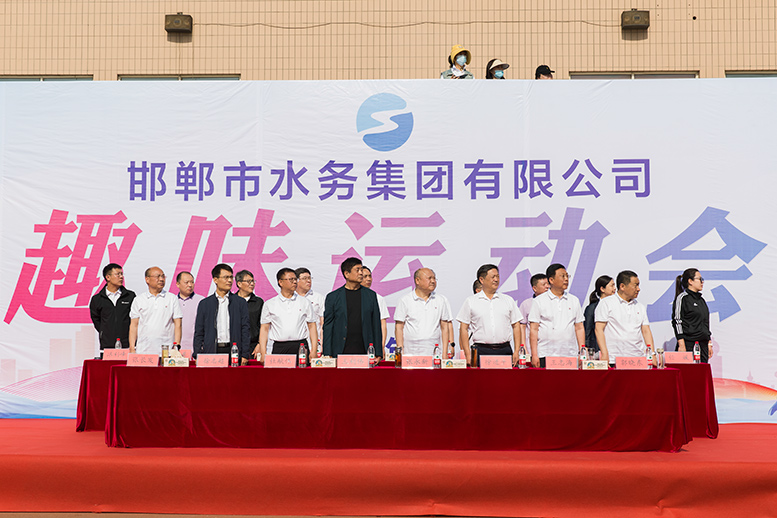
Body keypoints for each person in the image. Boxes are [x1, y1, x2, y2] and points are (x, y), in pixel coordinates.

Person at [456, 264, 524, 366]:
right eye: (493, 277)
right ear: (482, 280)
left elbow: (516, 326)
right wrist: (467, 353)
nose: (496, 280)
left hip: (504, 350)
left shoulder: (508, 300)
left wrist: (517, 350)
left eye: (498, 276)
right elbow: (463, 328)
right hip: (481, 350)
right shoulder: (471, 301)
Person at [323, 257, 383, 359]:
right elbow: (328, 327)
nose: (361, 273)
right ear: (346, 274)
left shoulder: (370, 295)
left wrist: (378, 353)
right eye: (357, 270)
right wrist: (327, 353)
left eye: (361, 270)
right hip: (340, 349)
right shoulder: (333, 297)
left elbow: (376, 325)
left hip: (365, 350)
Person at [528, 264, 585, 367]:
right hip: (546, 353)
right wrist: (534, 354)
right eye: (562, 276)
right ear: (551, 280)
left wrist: (582, 352)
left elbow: (579, 328)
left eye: (567, 276)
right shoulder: (539, 301)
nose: (566, 279)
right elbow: (534, 329)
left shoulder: (574, 300)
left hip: (569, 354)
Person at [193, 264, 250, 364]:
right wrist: (197, 353)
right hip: (211, 351)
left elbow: (245, 330)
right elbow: (199, 332)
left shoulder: (240, 303)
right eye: (226, 277)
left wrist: (245, 354)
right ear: (215, 280)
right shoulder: (205, 304)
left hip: (233, 351)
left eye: (231, 277)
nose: (229, 280)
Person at [255, 268, 318, 359]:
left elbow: (312, 326)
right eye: (291, 279)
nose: (295, 282)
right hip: (279, 347)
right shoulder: (270, 304)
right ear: (280, 282)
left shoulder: (305, 302)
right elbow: (264, 329)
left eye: (295, 279)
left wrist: (314, 350)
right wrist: (263, 352)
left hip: (300, 346)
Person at [594, 270, 654, 364]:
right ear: (622, 286)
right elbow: (599, 329)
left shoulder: (640, 307)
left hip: (637, 359)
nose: (638, 289)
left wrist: (652, 354)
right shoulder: (606, 303)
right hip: (614, 359)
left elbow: (646, 331)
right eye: (635, 285)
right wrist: (604, 353)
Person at [394, 268, 451, 357]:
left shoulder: (440, 300)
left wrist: (444, 353)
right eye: (429, 278)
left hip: (434, 352)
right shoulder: (405, 300)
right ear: (417, 280)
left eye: (434, 278)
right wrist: (400, 352)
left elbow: (444, 327)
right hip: (410, 352)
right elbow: (399, 327)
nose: (433, 281)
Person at [129, 267, 182, 355]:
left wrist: (176, 345)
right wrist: (132, 348)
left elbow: (178, 324)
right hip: (143, 350)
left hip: (166, 350)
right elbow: (134, 325)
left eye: (163, 276)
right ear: (147, 279)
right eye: (158, 276)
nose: (161, 279)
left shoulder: (172, 298)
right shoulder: (139, 300)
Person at [89, 263, 136, 349]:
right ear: (108, 277)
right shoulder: (97, 299)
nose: (121, 277)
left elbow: (134, 318)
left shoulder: (130, 296)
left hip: (127, 343)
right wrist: (105, 331)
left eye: (122, 274)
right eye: (118, 274)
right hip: (107, 343)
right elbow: (96, 320)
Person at [672, 268, 712, 363]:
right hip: (688, 344)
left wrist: (709, 342)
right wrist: (681, 344)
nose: (702, 282)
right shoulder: (682, 298)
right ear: (690, 281)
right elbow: (677, 321)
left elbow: (705, 322)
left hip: (702, 345)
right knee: (687, 371)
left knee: (702, 371)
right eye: (699, 279)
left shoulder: (701, 300)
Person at [583, 275, 615, 355]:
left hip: (613, 349)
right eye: (612, 286)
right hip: (597, 350)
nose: (615, 288)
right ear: (602, 289)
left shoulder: (616, 306)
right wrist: (586, 347)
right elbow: (587, 330)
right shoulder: (592, 308)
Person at [235, 270, 264, 357]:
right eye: (248, 281)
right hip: (234, 345)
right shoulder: (231, 301)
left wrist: (260, 344)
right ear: (239, 283)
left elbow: (263, 325)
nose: (252, 284)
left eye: (253, 281)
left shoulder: (258, 302)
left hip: (253, 347)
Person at [175, 271, 204, 355]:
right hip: (176, 348)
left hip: (195, 348)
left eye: (192, 282)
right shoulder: (172, 301)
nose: (190, 285)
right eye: (186, 282)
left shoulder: (201, 301)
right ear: (178, 284)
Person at [361, 265, 388, 351]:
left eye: (370, 276)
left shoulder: (378, 298)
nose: (369, 279)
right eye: (365, 276)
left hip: (372, 343)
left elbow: (382, 324)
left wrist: (382, 346)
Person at [295, 267, 325, 344]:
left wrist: (322, 343)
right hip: (296, 341)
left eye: (309, 278)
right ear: (296, 281)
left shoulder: (318, 298)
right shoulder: (291, 298)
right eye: (304, 278)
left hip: (315, 342)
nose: (308, 281)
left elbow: (323, 323)